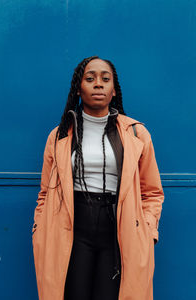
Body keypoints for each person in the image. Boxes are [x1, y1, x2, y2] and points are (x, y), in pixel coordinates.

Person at [32, 55, 164, 300]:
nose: (98, 84)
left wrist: (147, 230)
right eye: (89, 78)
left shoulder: (136, 133)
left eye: (106, 79)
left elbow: (152, 192)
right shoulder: (59, 136)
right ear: (78, 89)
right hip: (71, 226)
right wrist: (39, 228)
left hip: (119, 227)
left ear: (114, 90)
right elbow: (44, 193)